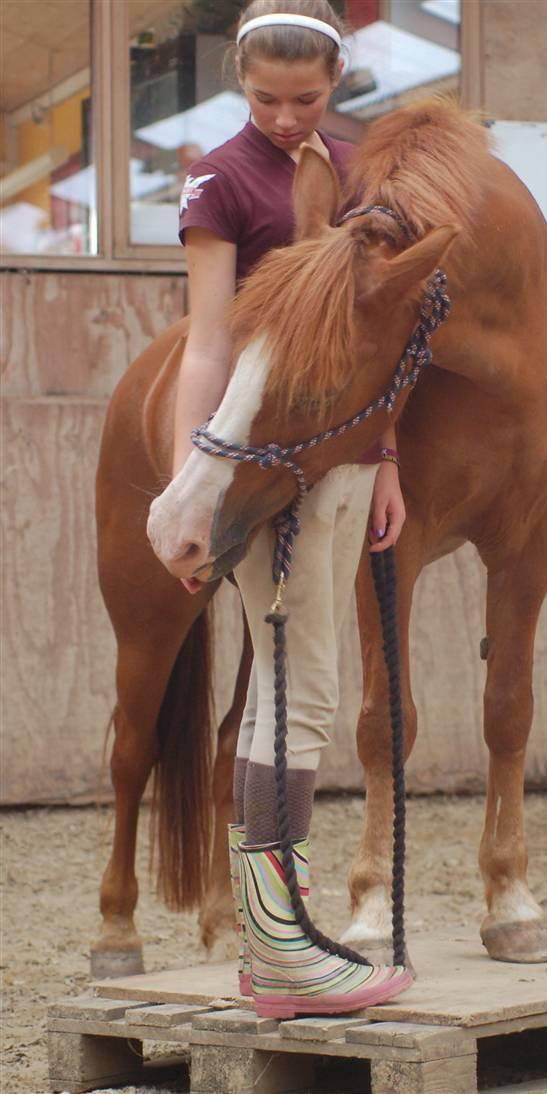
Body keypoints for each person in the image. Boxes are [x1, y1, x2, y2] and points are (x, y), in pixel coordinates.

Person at [174, 0, 412, 1017]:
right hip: (265, 464)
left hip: (348, 452)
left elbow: (374, 341)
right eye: (264, 97)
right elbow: (207, 342)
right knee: (294, 687)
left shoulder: (359, 174)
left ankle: (283, 944)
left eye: (303, 98)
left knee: (307, 684)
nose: (282, 115)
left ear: (335, 84)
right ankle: (280, 955)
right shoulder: (218, 179)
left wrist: (386, 453)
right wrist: (197, 484)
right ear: (241, 81)